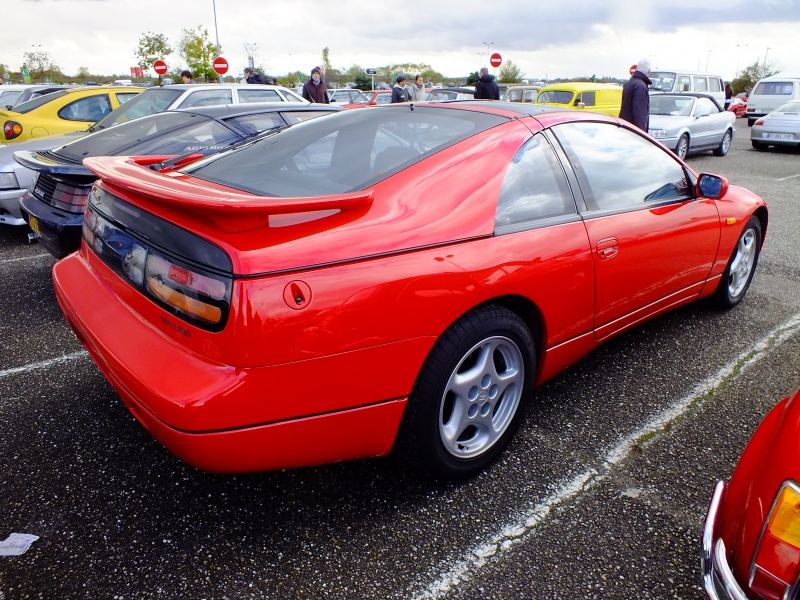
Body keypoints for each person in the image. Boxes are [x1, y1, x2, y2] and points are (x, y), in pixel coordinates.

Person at [619, 58, 652, 131]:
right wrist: (641, 135)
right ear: (648, 71)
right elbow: (639, 113)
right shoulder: (640, 86)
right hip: (634, 133)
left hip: (626, 127)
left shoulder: (629, 83)